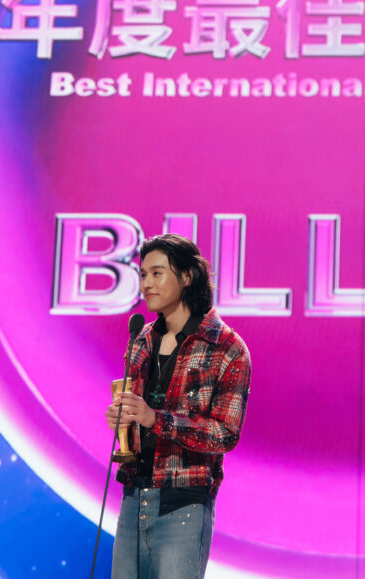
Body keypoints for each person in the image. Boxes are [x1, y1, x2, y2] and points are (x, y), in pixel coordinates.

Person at [105, 234, 251, 578]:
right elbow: (140, 415)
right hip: (134, 494)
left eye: (157, 273)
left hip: (183, 503)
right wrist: (123, 419)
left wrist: (155, 419)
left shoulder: (226, 347)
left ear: (187, 276)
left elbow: (225, 434)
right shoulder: (142, 340)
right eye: (143, 274)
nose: (147, 284)